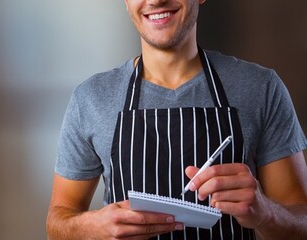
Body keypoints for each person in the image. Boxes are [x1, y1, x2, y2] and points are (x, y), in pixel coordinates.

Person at [46, 0, 307, 239]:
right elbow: (57, 224)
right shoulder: (91, 98)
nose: (156, 0)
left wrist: (265, 213)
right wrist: (93, 228)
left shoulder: (260, 88)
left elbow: (302, 224)